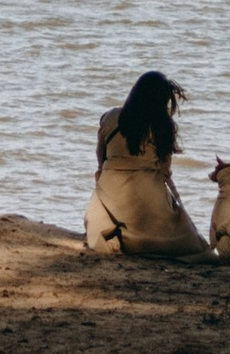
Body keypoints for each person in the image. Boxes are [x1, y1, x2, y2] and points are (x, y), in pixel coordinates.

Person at [83, 67, 212, 259]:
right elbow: (164, 172)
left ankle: (119, 234)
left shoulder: (110, 118)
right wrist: (179, 205)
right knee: (189, 243)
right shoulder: (163, 127)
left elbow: (101, 158)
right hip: (148, 195)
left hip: (111, 190)